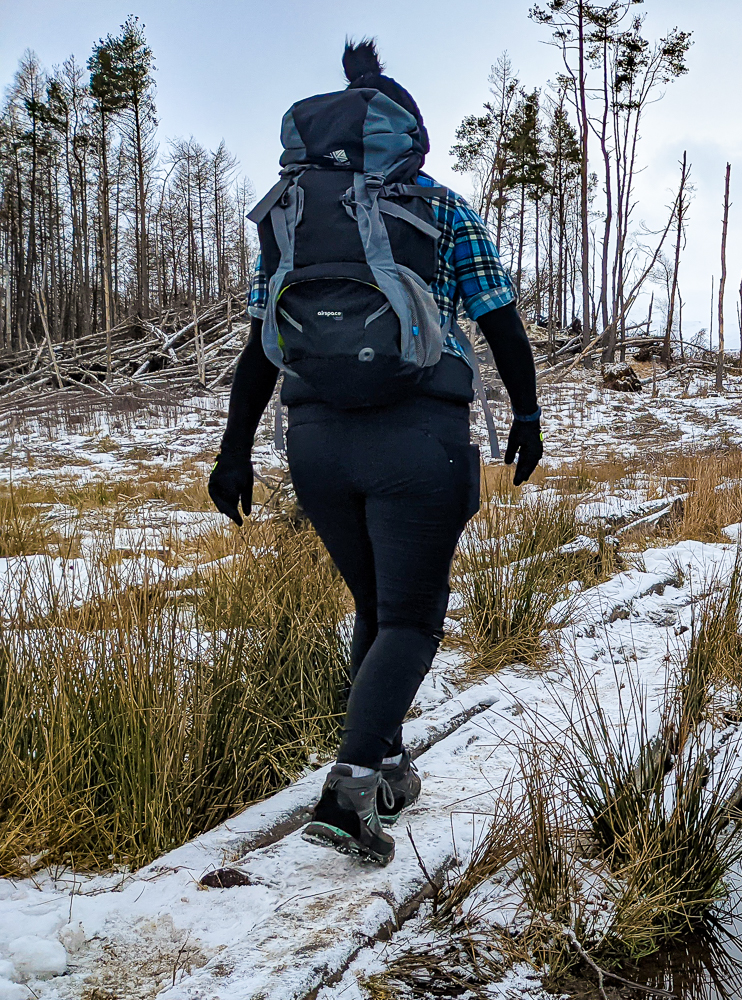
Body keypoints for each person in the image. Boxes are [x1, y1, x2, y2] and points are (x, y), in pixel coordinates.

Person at [207, 40, 544, 866]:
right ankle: (350, 795)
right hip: (417, 440)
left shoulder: (289, 215)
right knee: (411, 617)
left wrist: (233, 453)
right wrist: (528, 416)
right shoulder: (437, 208)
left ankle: (388, 763)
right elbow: (499, 320)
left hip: (316, 444)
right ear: (406, 135)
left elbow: (260, 346)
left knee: (375, 604)